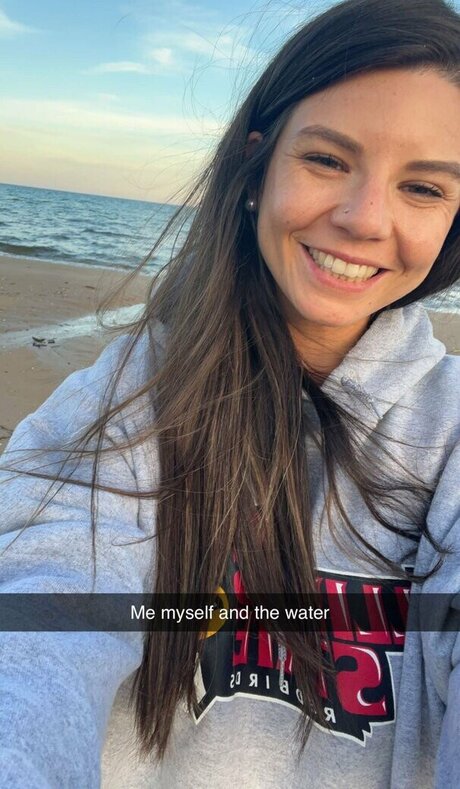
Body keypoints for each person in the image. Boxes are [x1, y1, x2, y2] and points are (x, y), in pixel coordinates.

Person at [1, 0, 460, 785]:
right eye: (328, 160)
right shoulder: (128, 399)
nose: (364, 218)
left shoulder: (447, 433)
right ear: (256, 168)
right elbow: (43, 615)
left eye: (422, 187)